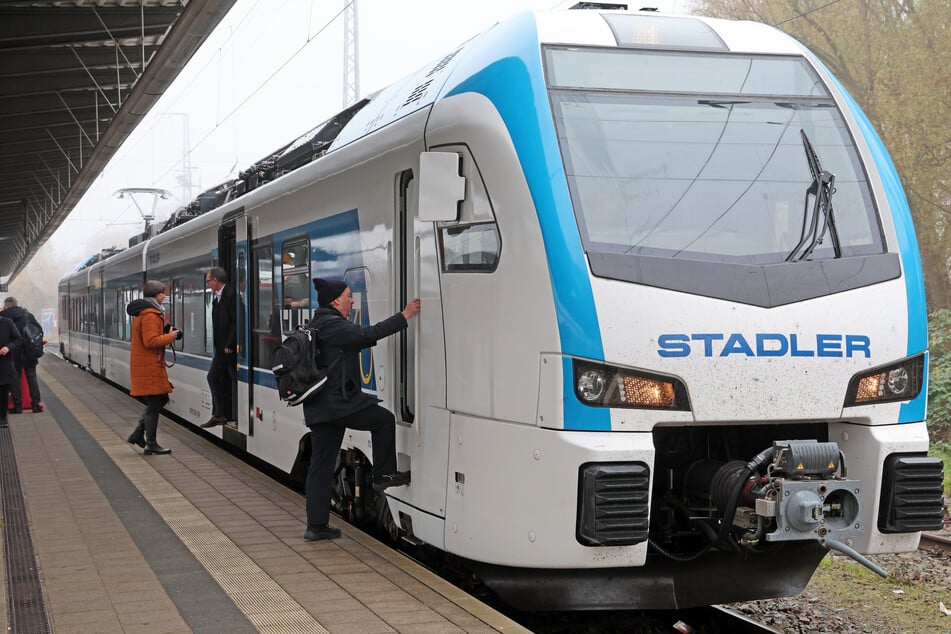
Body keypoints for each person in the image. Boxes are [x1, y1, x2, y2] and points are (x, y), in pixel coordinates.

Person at [302, 278, 420, 541]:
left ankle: (316, 526)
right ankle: (383, 474)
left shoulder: (318, 323)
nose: (352, 300)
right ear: (336, 301)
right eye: (348, 296)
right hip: (337, 405)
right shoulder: (332, 326)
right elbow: (369, 334)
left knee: (320, 468)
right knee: (384, 420)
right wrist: (405, 315)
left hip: (321, 407)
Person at [126, 281, 179, 455]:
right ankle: (150, 443)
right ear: (156, 295)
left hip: (149, 364)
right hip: (149, 365)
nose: (165, 296)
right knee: (157, 401)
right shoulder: (150, 314)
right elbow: (150, 341)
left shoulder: (148, 313)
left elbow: (151, 336)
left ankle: (138, 434)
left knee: (160, 399)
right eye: (163, 293)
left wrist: (165, 333)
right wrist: (169, 337)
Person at [202, 267, 237, 428]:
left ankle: (222, 414)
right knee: (224, 378)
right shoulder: (218, 296)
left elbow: (235, 321)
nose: (208, 284)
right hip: (222, 348)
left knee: (214, 377)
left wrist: (230, 344)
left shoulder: (230, 294)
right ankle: (221, 414)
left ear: (215, 280)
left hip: (227, 348)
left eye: (208, 281)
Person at [0, 297, 43, 413]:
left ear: (7, 306)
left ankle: (17, 407)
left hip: (14, 353)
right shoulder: (28, 316)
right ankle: (36, 405)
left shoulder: (5, 317)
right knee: (32, 378)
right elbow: (40, 331)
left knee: (15, 380)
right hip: (30, 352)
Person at [0, 315, 21, 428]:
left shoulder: (7, 323)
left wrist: (8, 347)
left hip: (3, 363)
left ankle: (2, 418)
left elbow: (18, 339)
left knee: (3, 392)